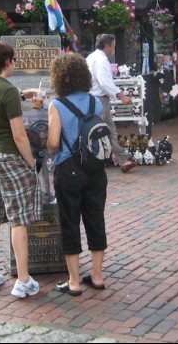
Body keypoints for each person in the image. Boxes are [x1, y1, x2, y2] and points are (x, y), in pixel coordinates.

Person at [0, 41, 42, 299]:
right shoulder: (8, 90)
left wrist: (24, 95)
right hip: (7, 155)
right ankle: (23, 279)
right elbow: (19, 135)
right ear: (6, 62)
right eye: (12, 59)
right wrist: (31, 162)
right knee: (19, 217)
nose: (14, 63)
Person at [46, 53, 108, 296]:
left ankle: (73, 281)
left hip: (68, 169)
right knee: (96, 220)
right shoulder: (96, 103)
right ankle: (97, 276)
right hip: (95, 169)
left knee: (70, 222)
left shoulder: (57, 105)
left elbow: (52, 143)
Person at [86, 34, 138, 173]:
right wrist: (121, 96)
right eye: (113, 46)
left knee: (110, 130)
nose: (113, 49)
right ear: (107, 45)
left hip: (96, 98)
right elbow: (105, 82)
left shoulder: (91, 57)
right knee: (98, 131)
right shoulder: (101, 60)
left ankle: (123, 159)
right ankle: (89, 160)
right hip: (99, 99)